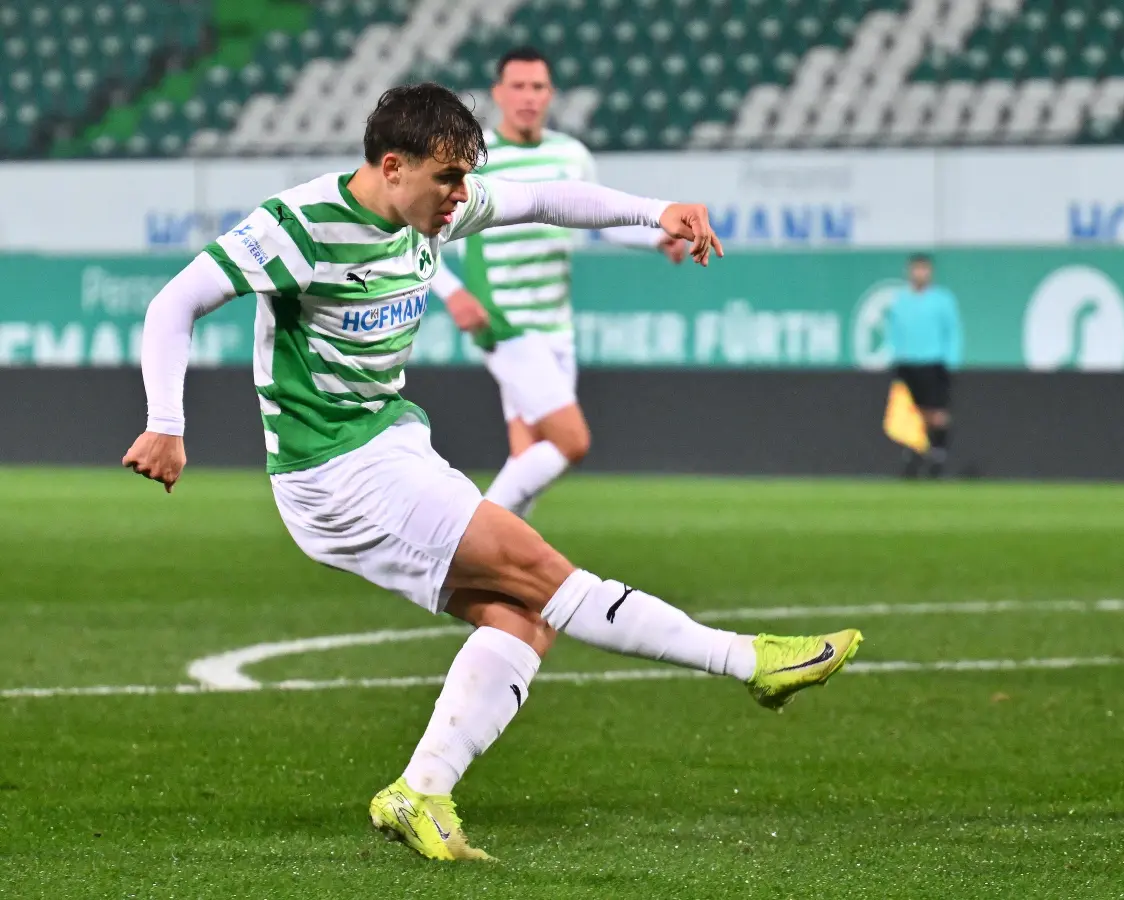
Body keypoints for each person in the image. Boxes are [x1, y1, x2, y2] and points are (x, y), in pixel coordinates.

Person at [121, 83, 863, 861]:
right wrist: (166, 424)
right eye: (447, 179)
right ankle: (750, 660)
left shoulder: (436, 203)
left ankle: (420, 791)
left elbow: (547, 197)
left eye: (465, 179)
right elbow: (174, 303)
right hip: (334, 470)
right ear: (393, 165)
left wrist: (656, 211)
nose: (460, 197)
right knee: (542, 570)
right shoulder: (299, 225)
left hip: (390, 445)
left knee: (524, 618)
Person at [430, 47, 690, 522]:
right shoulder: (475, 158)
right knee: (570, 441)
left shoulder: (571, 155)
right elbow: (420, 230)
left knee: (529, 457)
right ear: (498, 93)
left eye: (538, 87)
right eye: (518, 86)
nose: (528, 97)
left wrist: (658, 239)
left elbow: (604, 222)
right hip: (504, 320)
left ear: (551, 94)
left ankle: (498, 574)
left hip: (556, 327)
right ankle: (466, 539)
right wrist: (453, 293)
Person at [885, 253, 962, 478]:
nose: (920, 273)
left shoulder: (943, 300)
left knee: (936, 412)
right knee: (911, 411)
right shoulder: (899, 300)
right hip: (907, 362)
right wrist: (894, 355)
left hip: (933, 362)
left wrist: (951, 360)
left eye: (924, 269)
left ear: (930, 272)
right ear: (909, 272)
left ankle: (938, 453)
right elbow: (893, 331)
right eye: (916, 269)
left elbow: (953, 331)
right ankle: (914, 453)